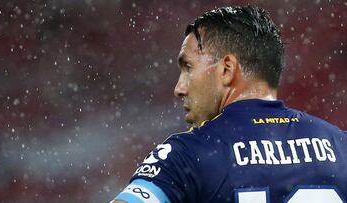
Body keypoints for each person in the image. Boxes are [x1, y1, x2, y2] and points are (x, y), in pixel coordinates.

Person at [111, 5, 347, 203]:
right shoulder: (341, 145)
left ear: (226, 69)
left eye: (188, 68)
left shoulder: (188, 154)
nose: (179, 88)